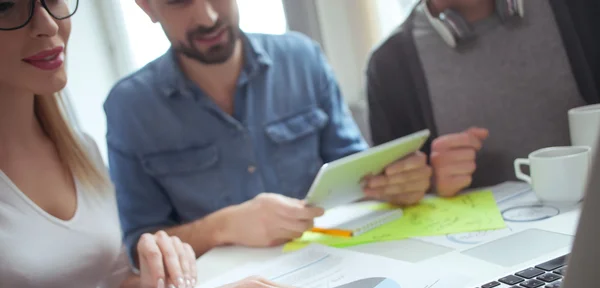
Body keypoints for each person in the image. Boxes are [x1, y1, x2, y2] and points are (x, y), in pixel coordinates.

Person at [0, 2, 360, 288]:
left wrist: (162, 271)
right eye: (4, 7)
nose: (48, 25)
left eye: (52, 0)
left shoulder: (78, 150)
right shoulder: (130, 107)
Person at [104, 0, 433, 261]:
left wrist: (396, 182)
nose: (206, 16)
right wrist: (223, 226)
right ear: (146, 6)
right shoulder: (129, 107)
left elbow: (356, 172)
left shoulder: (302, 59)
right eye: (180, 2)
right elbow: (140, 247)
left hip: (334, 260)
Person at [367, 0, 600, 197]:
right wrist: (431, 185)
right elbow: (394, 196)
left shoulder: (581, 8)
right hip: (489, 243)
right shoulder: (389, 67)